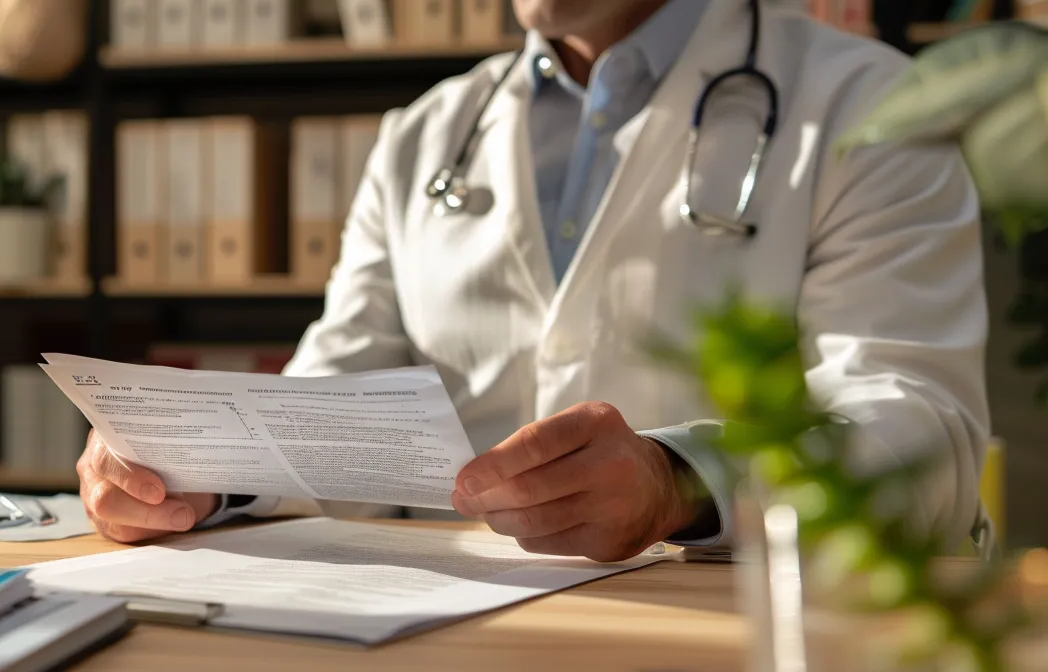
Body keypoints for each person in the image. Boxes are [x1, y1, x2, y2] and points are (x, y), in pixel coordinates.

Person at [75, 0, 994, 561]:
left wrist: (678, 482)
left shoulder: (870, 108)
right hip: (464, 639)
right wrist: (194, 470)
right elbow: (330, 400)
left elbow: (918, 427)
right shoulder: (424, 136)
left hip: (747, 632)